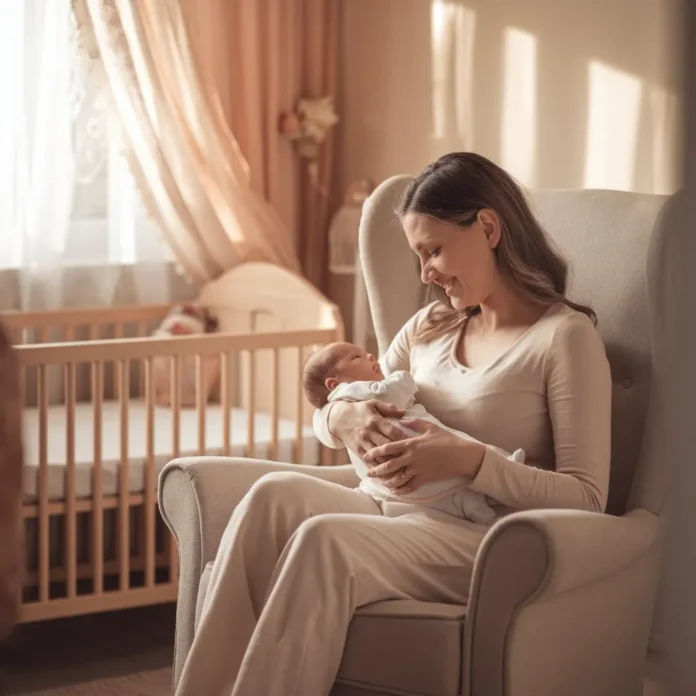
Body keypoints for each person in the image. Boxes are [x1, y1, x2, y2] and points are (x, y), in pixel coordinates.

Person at [174, 152, 612, 696]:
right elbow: (353, 395)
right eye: (418, 255)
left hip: (483, 538)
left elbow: (589, 500)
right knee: (271, 497)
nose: (425, 272)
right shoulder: (429, 325)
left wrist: (472, 462)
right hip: (391, 505)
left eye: (433, 250)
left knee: (325, 541)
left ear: (489, 227)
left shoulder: (563, 338)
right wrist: (342, 415)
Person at [301, 340, 526, 524]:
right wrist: (402, 377)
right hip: (413, 450)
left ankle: (483, 514)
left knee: (453, 494)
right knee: (463, 452)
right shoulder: (356, 392)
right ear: (334, 384)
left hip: (400, 488)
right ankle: (506, 467)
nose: (370, 356)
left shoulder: (351, 397)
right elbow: (394, 393)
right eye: (356, 357)